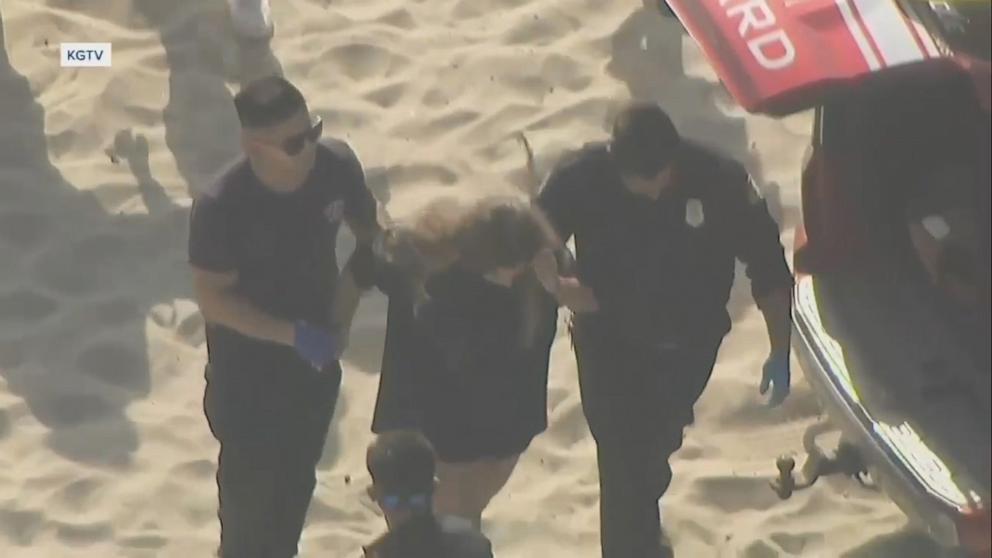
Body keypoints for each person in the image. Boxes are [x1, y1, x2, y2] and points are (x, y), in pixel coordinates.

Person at [535, 101, 795, 558]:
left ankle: (643, 535)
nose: (653, 190)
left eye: (659, 177)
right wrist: (561, 285)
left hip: (688, 345)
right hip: (606, 341)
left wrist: (779, 348)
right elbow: (533, 238)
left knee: (652, 453)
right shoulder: (581, 176)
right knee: (620, 458)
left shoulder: (719, 181)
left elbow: (768, 266)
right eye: (640, 182)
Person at [188, 75, 380, 558]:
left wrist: (347, 305)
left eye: (312, 131)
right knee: (249, 511)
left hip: (313, 367)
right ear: (254, 146)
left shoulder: (336, 165)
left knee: (295, 487)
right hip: (246, 374)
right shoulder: (222, 206)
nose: (309, 148)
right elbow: (214, 299)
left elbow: (371, 236)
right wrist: (290, 334)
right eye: (294, 143)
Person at [370, 196, 564, 530]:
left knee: (460, 519)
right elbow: (376, 262)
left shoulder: (538, 275)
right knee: (433, 522)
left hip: (499, 424)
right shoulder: (433, 278)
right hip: (437, 422)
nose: (511, 275)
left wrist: (556, 285)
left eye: (519, 266)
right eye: (501, 267)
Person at [363, 431, 495, 558]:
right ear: (434, 487)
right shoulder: (473, 545)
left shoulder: (377, 554)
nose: (408, 514)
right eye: (395, 502)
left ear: (374, 495)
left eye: (417, 501)